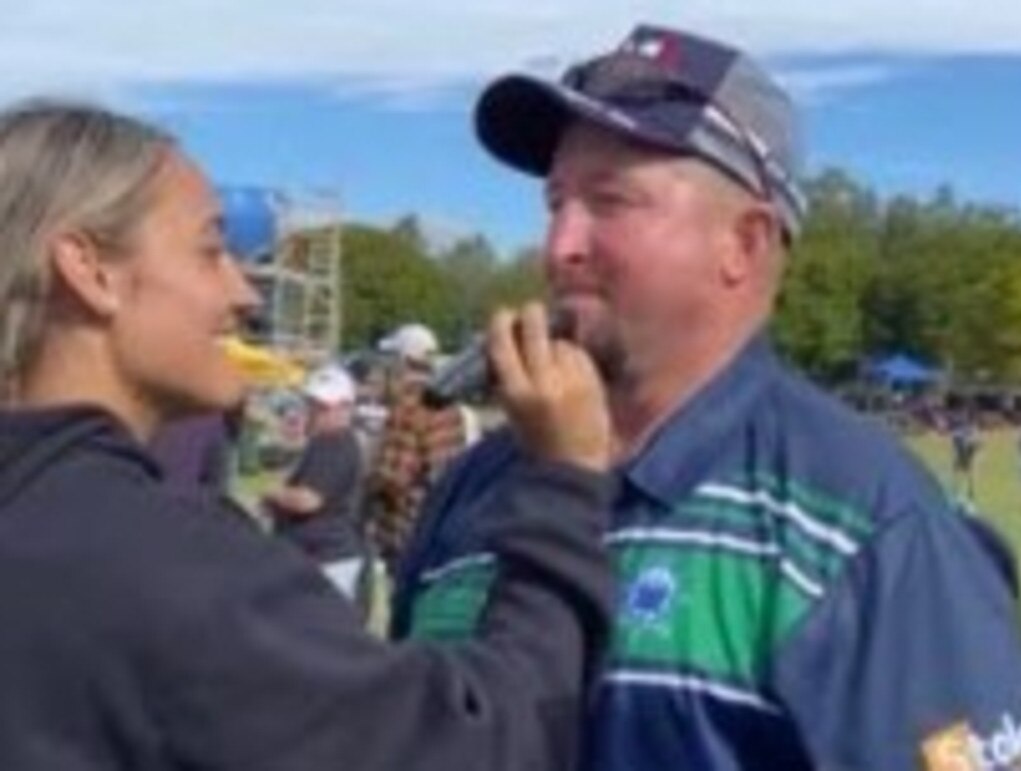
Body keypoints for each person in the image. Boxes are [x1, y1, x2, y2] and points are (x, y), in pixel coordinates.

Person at [393, 25, 1021, 771]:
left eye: (610, 200)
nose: (560, 245)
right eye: (556, 201)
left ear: (746, 244)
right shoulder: (477, 486)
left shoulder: (872, 527)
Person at [0, 100, 616, 770]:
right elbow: (485, 745)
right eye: (211, 250)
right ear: (91, 270)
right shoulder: (162, 565)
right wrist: (565, 481)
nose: (246, 294)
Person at [367, 322, 476, 569]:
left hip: (407, 530)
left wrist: (368, 479)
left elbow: (395, 479)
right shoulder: (449, 401)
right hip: (443, 522)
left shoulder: (408, 404)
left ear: (404, 359)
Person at [263, 364, 367, 601]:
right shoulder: (325, 441)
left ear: (346, 406)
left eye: (324, 407)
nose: (316, 412)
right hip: (317, 555)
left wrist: (273, 493)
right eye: (314, 405)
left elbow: (308, 500)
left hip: (326, 557)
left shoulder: (335, 443)